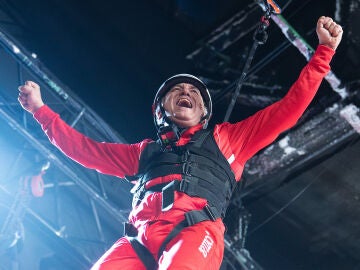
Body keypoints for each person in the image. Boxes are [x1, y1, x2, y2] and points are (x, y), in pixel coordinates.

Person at [18, 16, 343, 270]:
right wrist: (40, 111)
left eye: (194, 93)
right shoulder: (143, 153)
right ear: (160, 111)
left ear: (203, 110)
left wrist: (323, 52)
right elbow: (83, 150)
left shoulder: (229, 139)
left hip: (194, 232)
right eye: (177, 92)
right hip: (138, 242)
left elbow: (289, 109)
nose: (186, 93)